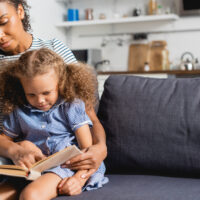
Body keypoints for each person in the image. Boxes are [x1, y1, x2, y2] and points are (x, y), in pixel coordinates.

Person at [0, 0, 107, 193]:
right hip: (11, 160)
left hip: (56, 160)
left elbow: (88, 114)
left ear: (20, 11)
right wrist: (15, 149)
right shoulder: (16, 110)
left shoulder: (53, 49)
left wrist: (100, 148)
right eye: (31, 94)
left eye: (3, 21)